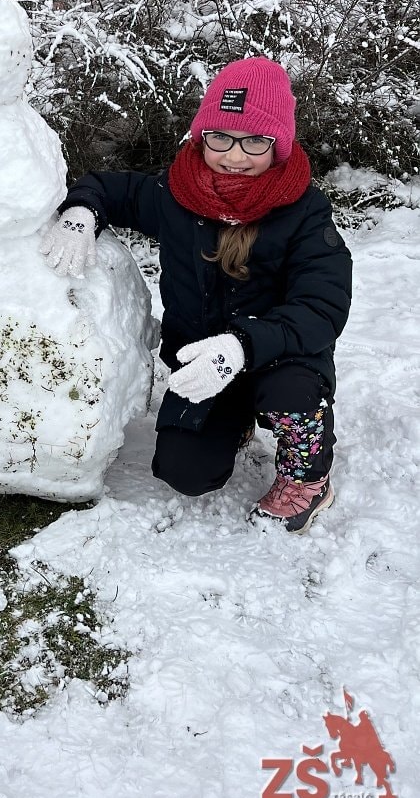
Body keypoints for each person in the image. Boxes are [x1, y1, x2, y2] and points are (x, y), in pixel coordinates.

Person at [40, 57, 352, 534]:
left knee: (291, 393)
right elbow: (107, 187)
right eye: (220, 137)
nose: (234, 155)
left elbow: (321, 308)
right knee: (184, 472)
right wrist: (82, 212)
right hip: (203, 364)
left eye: (255, 141)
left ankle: (308, 478)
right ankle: (238, 420)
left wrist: (242, 347)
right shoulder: (176, 193)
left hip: (280, 360)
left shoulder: (305, 213)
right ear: (201, 135)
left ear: (278, 145)